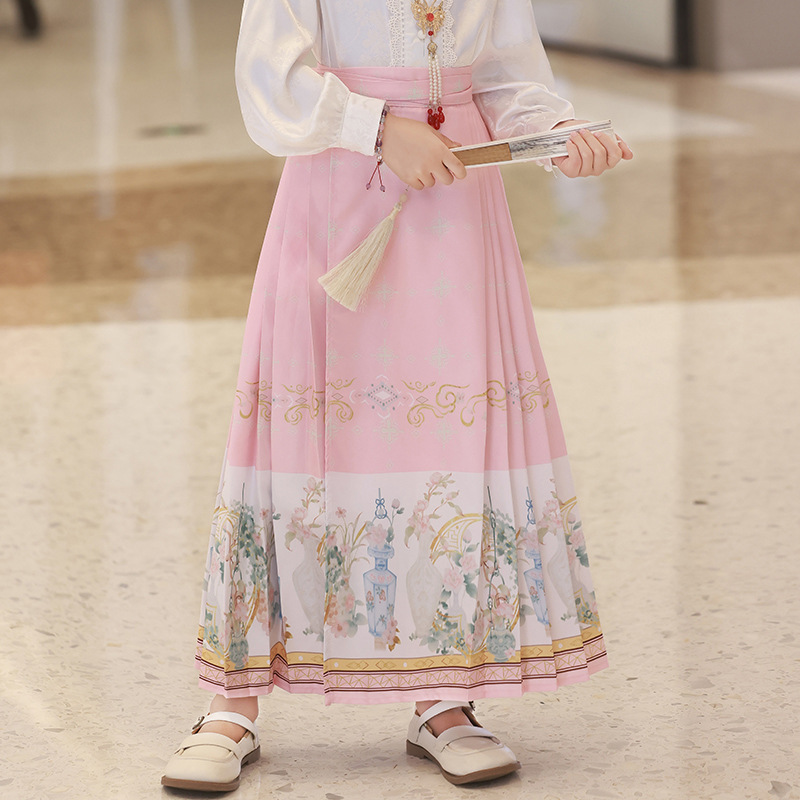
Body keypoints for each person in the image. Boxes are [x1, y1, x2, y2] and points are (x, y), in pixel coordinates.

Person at [162, 0, 632, 792]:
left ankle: (442, 695)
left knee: (451, 433)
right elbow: (269, 79)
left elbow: (506, 74)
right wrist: (381, 129)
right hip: (336, 191)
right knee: (299, 428)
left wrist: (559, 135)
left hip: (456, 202)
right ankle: (231, 701)